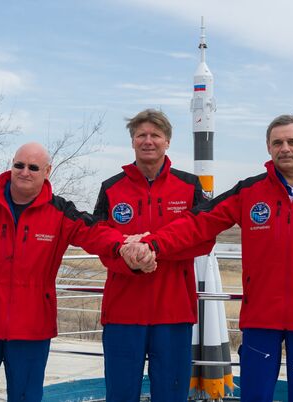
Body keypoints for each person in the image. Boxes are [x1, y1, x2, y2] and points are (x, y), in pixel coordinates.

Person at [136, 114, 293, 401]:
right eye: (277, 143)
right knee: (254, 395)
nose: (285, 148)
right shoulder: (249, 191)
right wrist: (153, 243)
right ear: (268, 148)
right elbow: (199, 222)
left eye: (292, 141)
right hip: (262, 318)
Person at [0, 142, 154, 402]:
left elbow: (94, 232)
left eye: (33, 167)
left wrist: (123, 245)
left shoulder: (60, 211)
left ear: (47, 171)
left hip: (32, 326)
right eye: (19, 165)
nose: (24, 172)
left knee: (26, 397)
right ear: (11, 166)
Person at [93, 109, 214, 402]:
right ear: (133, 142)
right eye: (141, 135)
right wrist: (131, 261)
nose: (148, 141)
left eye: (155, 135)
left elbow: (204, 240)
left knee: (172, 394)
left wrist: (152, 249)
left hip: (173, 311)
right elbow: (100, 242)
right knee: (120, 394)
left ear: (167, 141)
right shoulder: (111, 188)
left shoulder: (188, 186)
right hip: (123, 311)